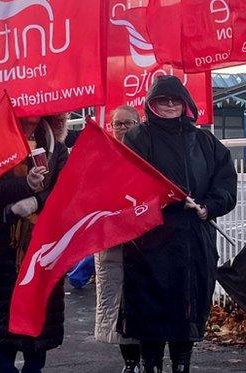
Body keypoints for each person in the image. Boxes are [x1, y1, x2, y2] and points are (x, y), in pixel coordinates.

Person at [120, 76, 238, 373]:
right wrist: (163, 200)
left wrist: (209, 206)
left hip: (192, 243)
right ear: (151, 104)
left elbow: (225, 185)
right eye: (163, 100)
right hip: (148, 243)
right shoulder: (137, 138)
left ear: (185, 104)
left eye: (175, 100)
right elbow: (127, 184)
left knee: (186, 312)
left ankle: (182, 364)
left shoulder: (205, 142)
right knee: (150, 315)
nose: (170, 105)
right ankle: (151, 365)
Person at [0, 115, 68, 373]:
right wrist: (23, 187)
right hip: (4, 244)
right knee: (5, 323)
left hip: (43, 245)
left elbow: (67, 189)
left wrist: (37, 201)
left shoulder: (59, 149)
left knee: (39, 323)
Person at [94, 105, 142, 372]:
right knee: (119, 306)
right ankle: (130, 362)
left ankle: (146, 359)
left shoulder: (149, 155)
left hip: (144, 241)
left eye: (128, 123)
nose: (123, 128)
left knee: (142, 302)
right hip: (112, 242)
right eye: (118, 124)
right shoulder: (102, 157)